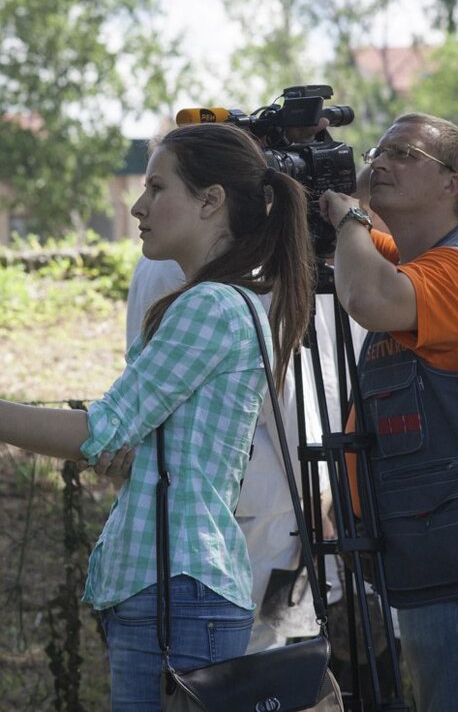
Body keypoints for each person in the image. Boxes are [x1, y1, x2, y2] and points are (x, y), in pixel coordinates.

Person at [0, 122, 316, 711]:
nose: (139, 207)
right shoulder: (219, 302)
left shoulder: (209, 307)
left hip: (180, 590)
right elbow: (144, 440)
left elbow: (100, 429)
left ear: (211, 201)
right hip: (175, 589)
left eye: (157, 188)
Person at [319, 113, 458, 712]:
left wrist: (351, 215)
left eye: (405, 155)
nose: (381, 163)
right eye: (379, 150)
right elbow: (361, 252)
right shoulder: (422, 258)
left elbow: (368, 295)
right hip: (440, 544)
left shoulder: (457, 269)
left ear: (453, 184)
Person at [125, 255, 348, 655]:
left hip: (183, 498)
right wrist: (317, 498)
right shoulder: (246, 273)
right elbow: (287, 399)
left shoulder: (154, 262)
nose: (142, 208)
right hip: (255, 502)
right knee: (252, 661)